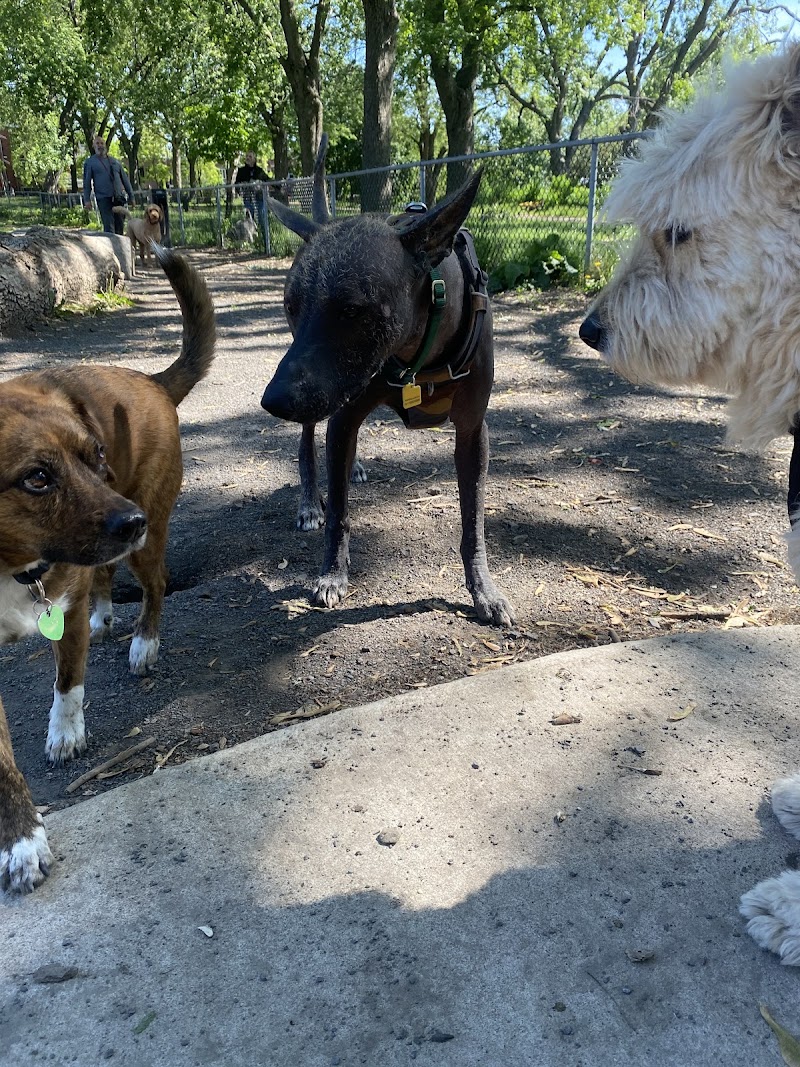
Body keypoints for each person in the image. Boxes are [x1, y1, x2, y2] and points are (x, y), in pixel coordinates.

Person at [82, 135, 134, 235]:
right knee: (109, 228)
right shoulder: (90, 163)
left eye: (102, 143)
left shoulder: (115, 162)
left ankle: (120, 250)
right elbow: (86, 182)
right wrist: (87, 200)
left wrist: (131, 196)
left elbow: (125, 180)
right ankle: (111, 250)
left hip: (118, 198)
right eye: (97, 143)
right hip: (103, 198)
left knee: (120, 226)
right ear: (93, 146)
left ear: (105, 145)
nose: (100, 146)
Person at [232, 150, 270, 245]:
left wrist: (280, 187)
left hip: (259, 198)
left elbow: (268, 180)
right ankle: (252, 242)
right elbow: (236, 184)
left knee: (262, 218)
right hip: (248, 199)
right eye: (247, 156)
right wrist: (240, 190)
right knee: (249, 220)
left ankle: (265, 241)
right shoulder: (241, 171)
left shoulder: (259, 171)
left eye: (250, 156)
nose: (248, 158)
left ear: (254, 159)